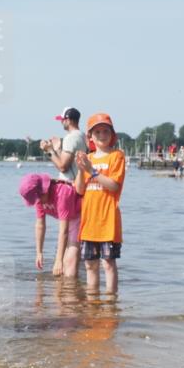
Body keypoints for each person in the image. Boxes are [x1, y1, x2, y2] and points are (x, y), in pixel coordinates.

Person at [74, 113, 126, 294]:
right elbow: (79, 190)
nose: (102, 135)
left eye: (105, 131)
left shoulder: (116, 156)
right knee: (90, 265)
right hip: (89, 222)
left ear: (112, 134)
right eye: (97, 132)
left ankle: (111, 302)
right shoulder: (89, 158)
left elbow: (113, 185)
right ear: (90, 137)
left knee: (108, 264)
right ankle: (92, 302)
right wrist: (82, 170)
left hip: (108, 220)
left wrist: (92, 171)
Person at [35, 106, 86, 275]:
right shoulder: (80, 136)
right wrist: (57, 148)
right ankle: (69, 287)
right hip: (76, 190)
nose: (61, 123)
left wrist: (49, 151)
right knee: (70, 242)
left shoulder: (72, 138)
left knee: (70, 242)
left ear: (68, 120)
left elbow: (63, 166)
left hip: (70, 191)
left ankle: (68, 286)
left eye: (62, 120)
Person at [19, 173, 80, 278]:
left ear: (43, 190)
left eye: (38, 198)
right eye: (34, 200)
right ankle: (64, 290)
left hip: (80, 215)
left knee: (69, 267)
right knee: (62, 269)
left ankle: (70, 289)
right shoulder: (38, 199)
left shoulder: (62, 192)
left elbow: (64, 231)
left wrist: (58, 260)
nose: (37, 202)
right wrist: (39, 252)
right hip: (68, 219)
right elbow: (40, 225)